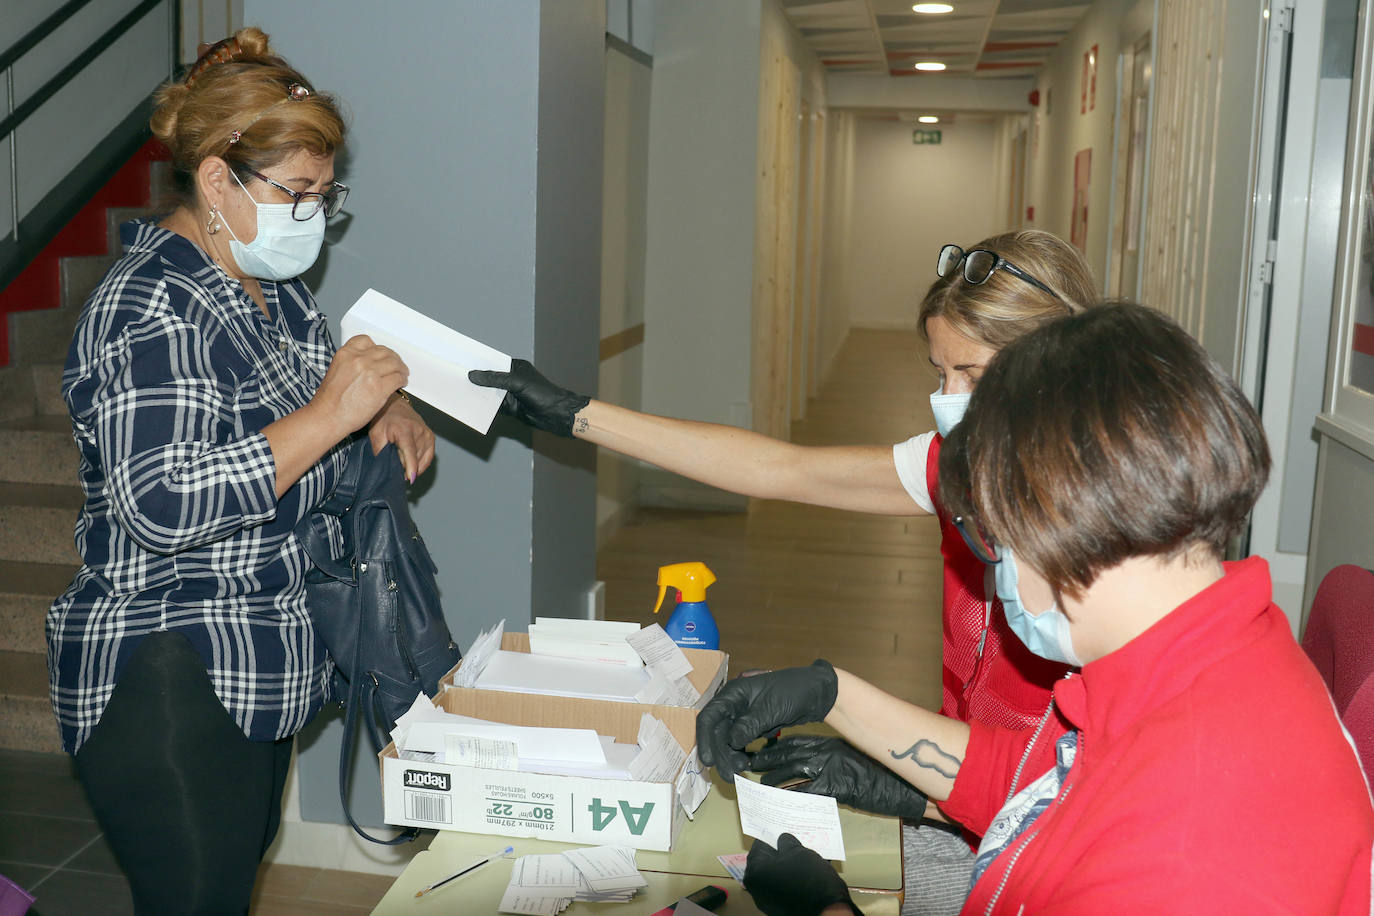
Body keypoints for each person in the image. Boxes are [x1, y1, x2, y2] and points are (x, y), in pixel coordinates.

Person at [472, 231, 1097, 912]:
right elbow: (781, 468)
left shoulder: (1114, 539)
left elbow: (1089, 794)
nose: (947, 401)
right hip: (964, 800)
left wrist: (897, 799)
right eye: (940, 373)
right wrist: (575, 415)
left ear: (1055, 372)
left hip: (1050, 843)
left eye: (972, 376)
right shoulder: (959, 462)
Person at [695, 302, 1374, 915]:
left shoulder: (1189, 852)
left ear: (1050, 518)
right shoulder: (1199, 653)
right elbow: (1040, 787)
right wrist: (835, 695)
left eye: (989, 532)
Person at [45, 29, 434, 914]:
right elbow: (164, 500)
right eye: (296, 191)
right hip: (170, 666)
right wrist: (332, 413)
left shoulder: (277, 293)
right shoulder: (152, 303)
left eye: (324, 195)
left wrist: (379, 407)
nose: (313, 214)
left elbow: (307, 416)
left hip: (259, 657)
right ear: (217, 182)